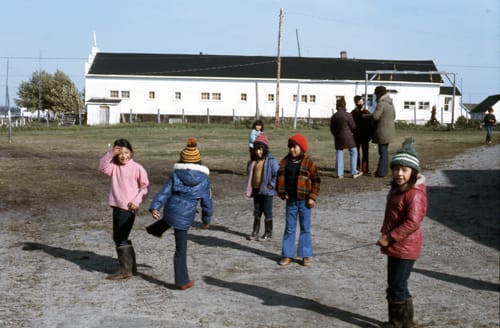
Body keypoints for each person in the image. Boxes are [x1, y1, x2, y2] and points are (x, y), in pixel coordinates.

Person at [146, 137, 213, 290]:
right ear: (199, 161)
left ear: (181, 160)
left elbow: (164, 192)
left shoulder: (175, 175)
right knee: (180, 250)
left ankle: (155, 229)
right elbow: (207, 202)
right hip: (185, 216)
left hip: (171, 209)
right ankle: (182, 281)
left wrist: (155, 206)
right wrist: (206, 219)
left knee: (171, 217)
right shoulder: (204, 180)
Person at [377, 138, 427, 327]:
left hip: (406, 247)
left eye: (404, 170)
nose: (399, 174)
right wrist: (386, 235)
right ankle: (398, 322)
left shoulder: (415, 193)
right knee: (394, 285)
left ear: (413, 172)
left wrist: (390, 236)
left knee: (398, 286)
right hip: (395, 245)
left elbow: (412, 222)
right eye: (396, 169)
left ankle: (402, 324)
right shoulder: (397, 190)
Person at [98, 138, 150, 280]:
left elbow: (145, 187)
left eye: (126, 152)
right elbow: (102, 167)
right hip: (116, 205)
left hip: (128, 208)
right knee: (120, 236)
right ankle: (130, 268)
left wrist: (136, 201)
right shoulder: (114, 166)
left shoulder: (137, 168)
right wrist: (110, 154)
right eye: (120, 153)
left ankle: (125, 270)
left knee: (120, 236)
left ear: (131, 152)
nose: (123, 156)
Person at [276, 133, 321, 267]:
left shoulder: (308, 162)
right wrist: (282, 193)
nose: (292, 150)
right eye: (290, 147)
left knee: (305, 228)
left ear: (301, 148)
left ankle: (305, 255)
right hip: (291, 201)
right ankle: (287, 255)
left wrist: (312, 197)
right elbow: (279, 180)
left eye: (295, 147)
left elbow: (316, 181)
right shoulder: (285, 162)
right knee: (289, 228)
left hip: (305, 201)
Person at [245, 133, 280, 241]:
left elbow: (277, 174)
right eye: (256, 149)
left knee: (267, 212)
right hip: (257, 190)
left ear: (265, 149)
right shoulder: (254, 161)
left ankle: (268, 233)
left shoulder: (271, 161)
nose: (258, 151)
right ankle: (255, 232)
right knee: (257, 211)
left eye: (260, 149)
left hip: (267, 192)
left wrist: (272, 185)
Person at [330, 96, 363, 179]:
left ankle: (339, 174)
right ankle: (353, 172)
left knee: (339, 153)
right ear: (344, 105)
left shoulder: (334, 116)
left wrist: (336, 134)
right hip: (348, 137)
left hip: (338, 137)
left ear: (337, 106)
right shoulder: (348, 115)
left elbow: (332, 128)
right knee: (354, 152)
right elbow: (353, 126)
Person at [371, 86, 396, 177]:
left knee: (382, 152)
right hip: (390, 131)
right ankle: (383, 170)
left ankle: (381, 172)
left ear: (378, 94)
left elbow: (375, 117)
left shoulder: (381, 103)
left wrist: (367, 116)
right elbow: (394, 115)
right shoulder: (390, 103)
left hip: (382, 131)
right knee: (385, 151)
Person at [351, 95, 372, 174]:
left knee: (365, 152)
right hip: (357, 135)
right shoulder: (354, 113)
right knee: (357, 152)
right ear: (356, 103)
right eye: (359, 102)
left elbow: (370, 124)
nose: (361, 103)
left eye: (361, 101)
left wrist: (370, 134)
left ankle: (365, 168)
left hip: (364, 135)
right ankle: (357, 167)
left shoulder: (365, 112)